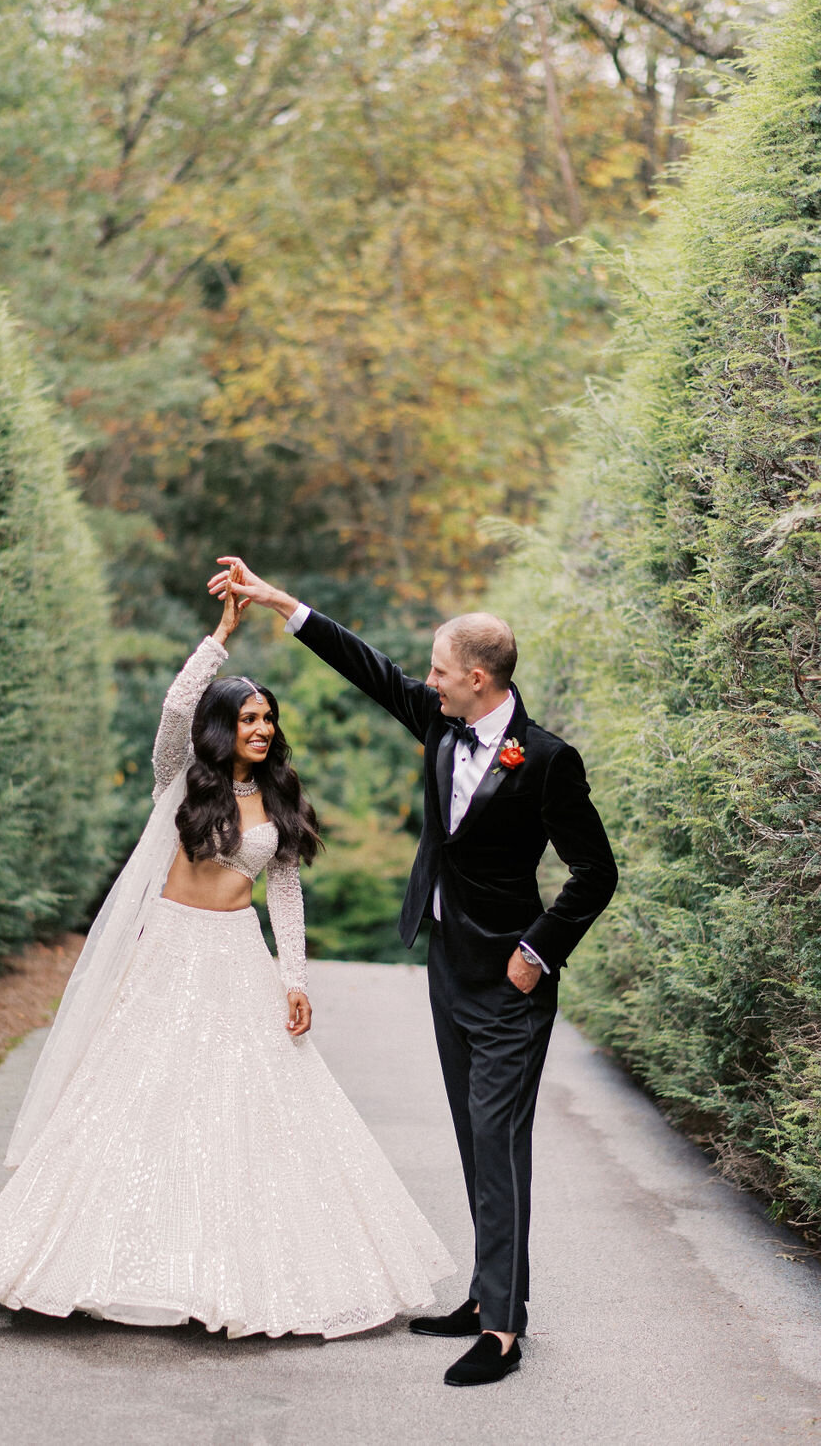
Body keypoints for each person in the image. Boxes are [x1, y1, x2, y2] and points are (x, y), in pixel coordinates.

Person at [0, 577, 453, 1339]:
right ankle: (76, 1262)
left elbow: (285, 892)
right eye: (248, 716)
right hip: (170, 951)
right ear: (226, 725)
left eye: (268, 718)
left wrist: (294, 978)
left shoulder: (279, 796)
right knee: (135, 1097)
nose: (261, 727)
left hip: (237, 954)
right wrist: (220, 636)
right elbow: (176, 711)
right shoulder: (183, 777)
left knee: (253, 1102)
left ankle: (232, 1271)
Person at [208, 557, 618, 1384]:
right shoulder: (441, 721)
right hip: (447, 970)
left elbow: (595, 872)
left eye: (438, 670)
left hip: (510, 983)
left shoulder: (546, 761)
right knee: (475, 1139)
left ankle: (502, 1329)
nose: (423, 681)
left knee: (498, 1144)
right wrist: (279, 598)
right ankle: (483, 1291)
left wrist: (535, 955)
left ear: (477, 676)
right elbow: (366, 666)